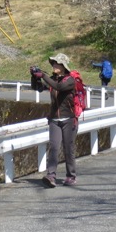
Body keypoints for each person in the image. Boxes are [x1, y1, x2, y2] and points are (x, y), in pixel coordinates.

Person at [32, 53, 78, 187]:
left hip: (69, 119)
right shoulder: (52, 79)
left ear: (63, 66)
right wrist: (34, 76)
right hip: (54, 119)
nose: (54, 66)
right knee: (54, 147)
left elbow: (59, 87)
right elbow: (37, 88)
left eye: (57, 64)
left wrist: (44, 76)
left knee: (68, 148)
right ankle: (51, 175)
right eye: (53, 63)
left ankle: (71, 176)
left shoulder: (70, 80)